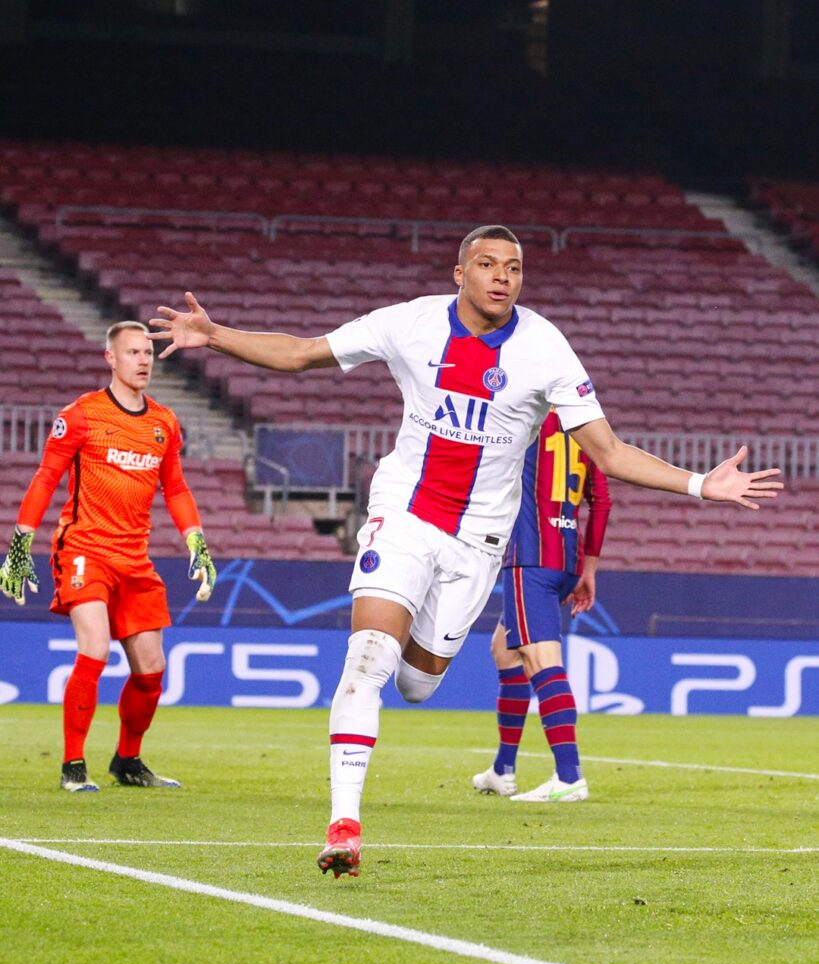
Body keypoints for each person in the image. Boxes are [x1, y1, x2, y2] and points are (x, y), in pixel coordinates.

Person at [148, 224, 781, 879]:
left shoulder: (544, 348)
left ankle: (414, 671)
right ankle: (343, 825)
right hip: (402, 516)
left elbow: (608, 453)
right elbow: (302, 352)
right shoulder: (410, 324)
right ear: (459, 272)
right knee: (366, 658)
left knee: (417, 684)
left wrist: (702, 485)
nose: (501, 276)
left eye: (513, 266)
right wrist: (216, 335)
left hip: (476, 543)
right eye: (486, 264)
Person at [0, 321, 217, 793]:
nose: (143, 360)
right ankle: (73, 765)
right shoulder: (81, 415)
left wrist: (196, 541)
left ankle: (128, 761)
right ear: (111, 359)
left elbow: (176, 488)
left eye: (148, 353)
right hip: (84, 548)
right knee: (94, 648)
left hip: (133, 557)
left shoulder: (163, 422)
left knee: (151, 669)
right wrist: (19, 545)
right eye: (133, 352)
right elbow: (44, 478)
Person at [472, 409, 611, 803]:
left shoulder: (520, 416)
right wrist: (589, 570)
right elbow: (601, 502)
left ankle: (569, 777)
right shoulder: (585, 427)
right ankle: (503, 769)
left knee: (540, 662)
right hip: (565, 560)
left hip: (529, 559)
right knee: (504, 649)